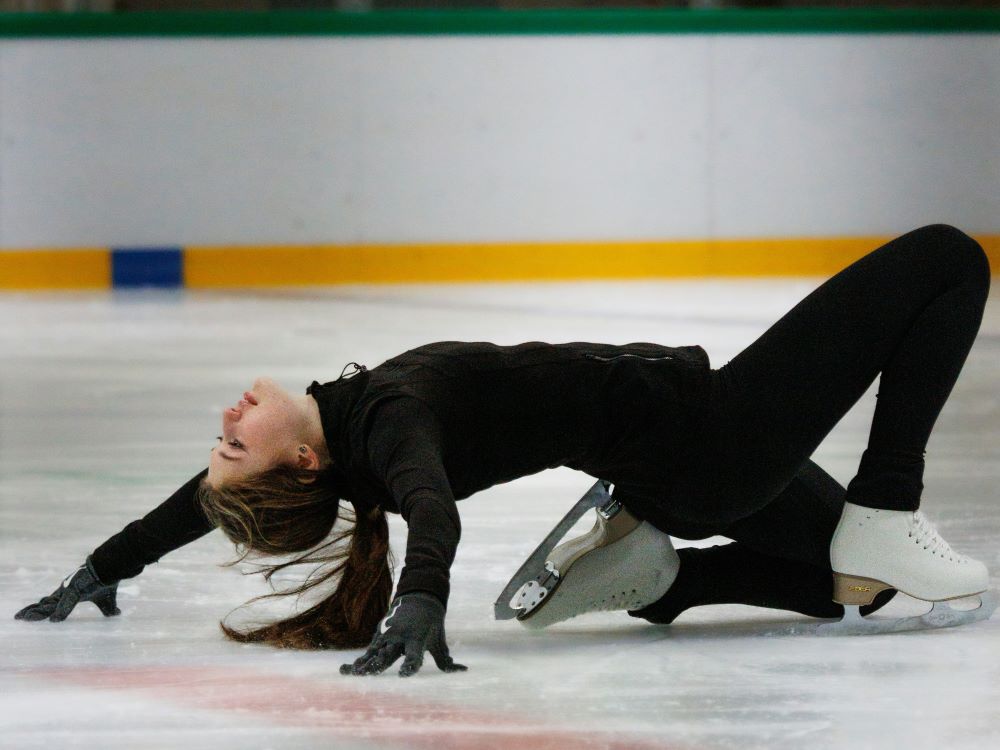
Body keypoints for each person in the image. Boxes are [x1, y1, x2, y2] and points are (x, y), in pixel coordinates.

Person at [14, 225, 993, 677]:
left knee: (846, 593)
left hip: (680, 476)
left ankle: (665, 583)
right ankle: (887, 508)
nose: (226, 418)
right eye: (234, 440)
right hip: (711, 440)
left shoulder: (345, 439)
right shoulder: (389, 422)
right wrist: (422, 596)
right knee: (947, 259)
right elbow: (432, 508)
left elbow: (198, 503)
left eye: (220, 440)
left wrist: (104, 566)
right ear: (299, 466)